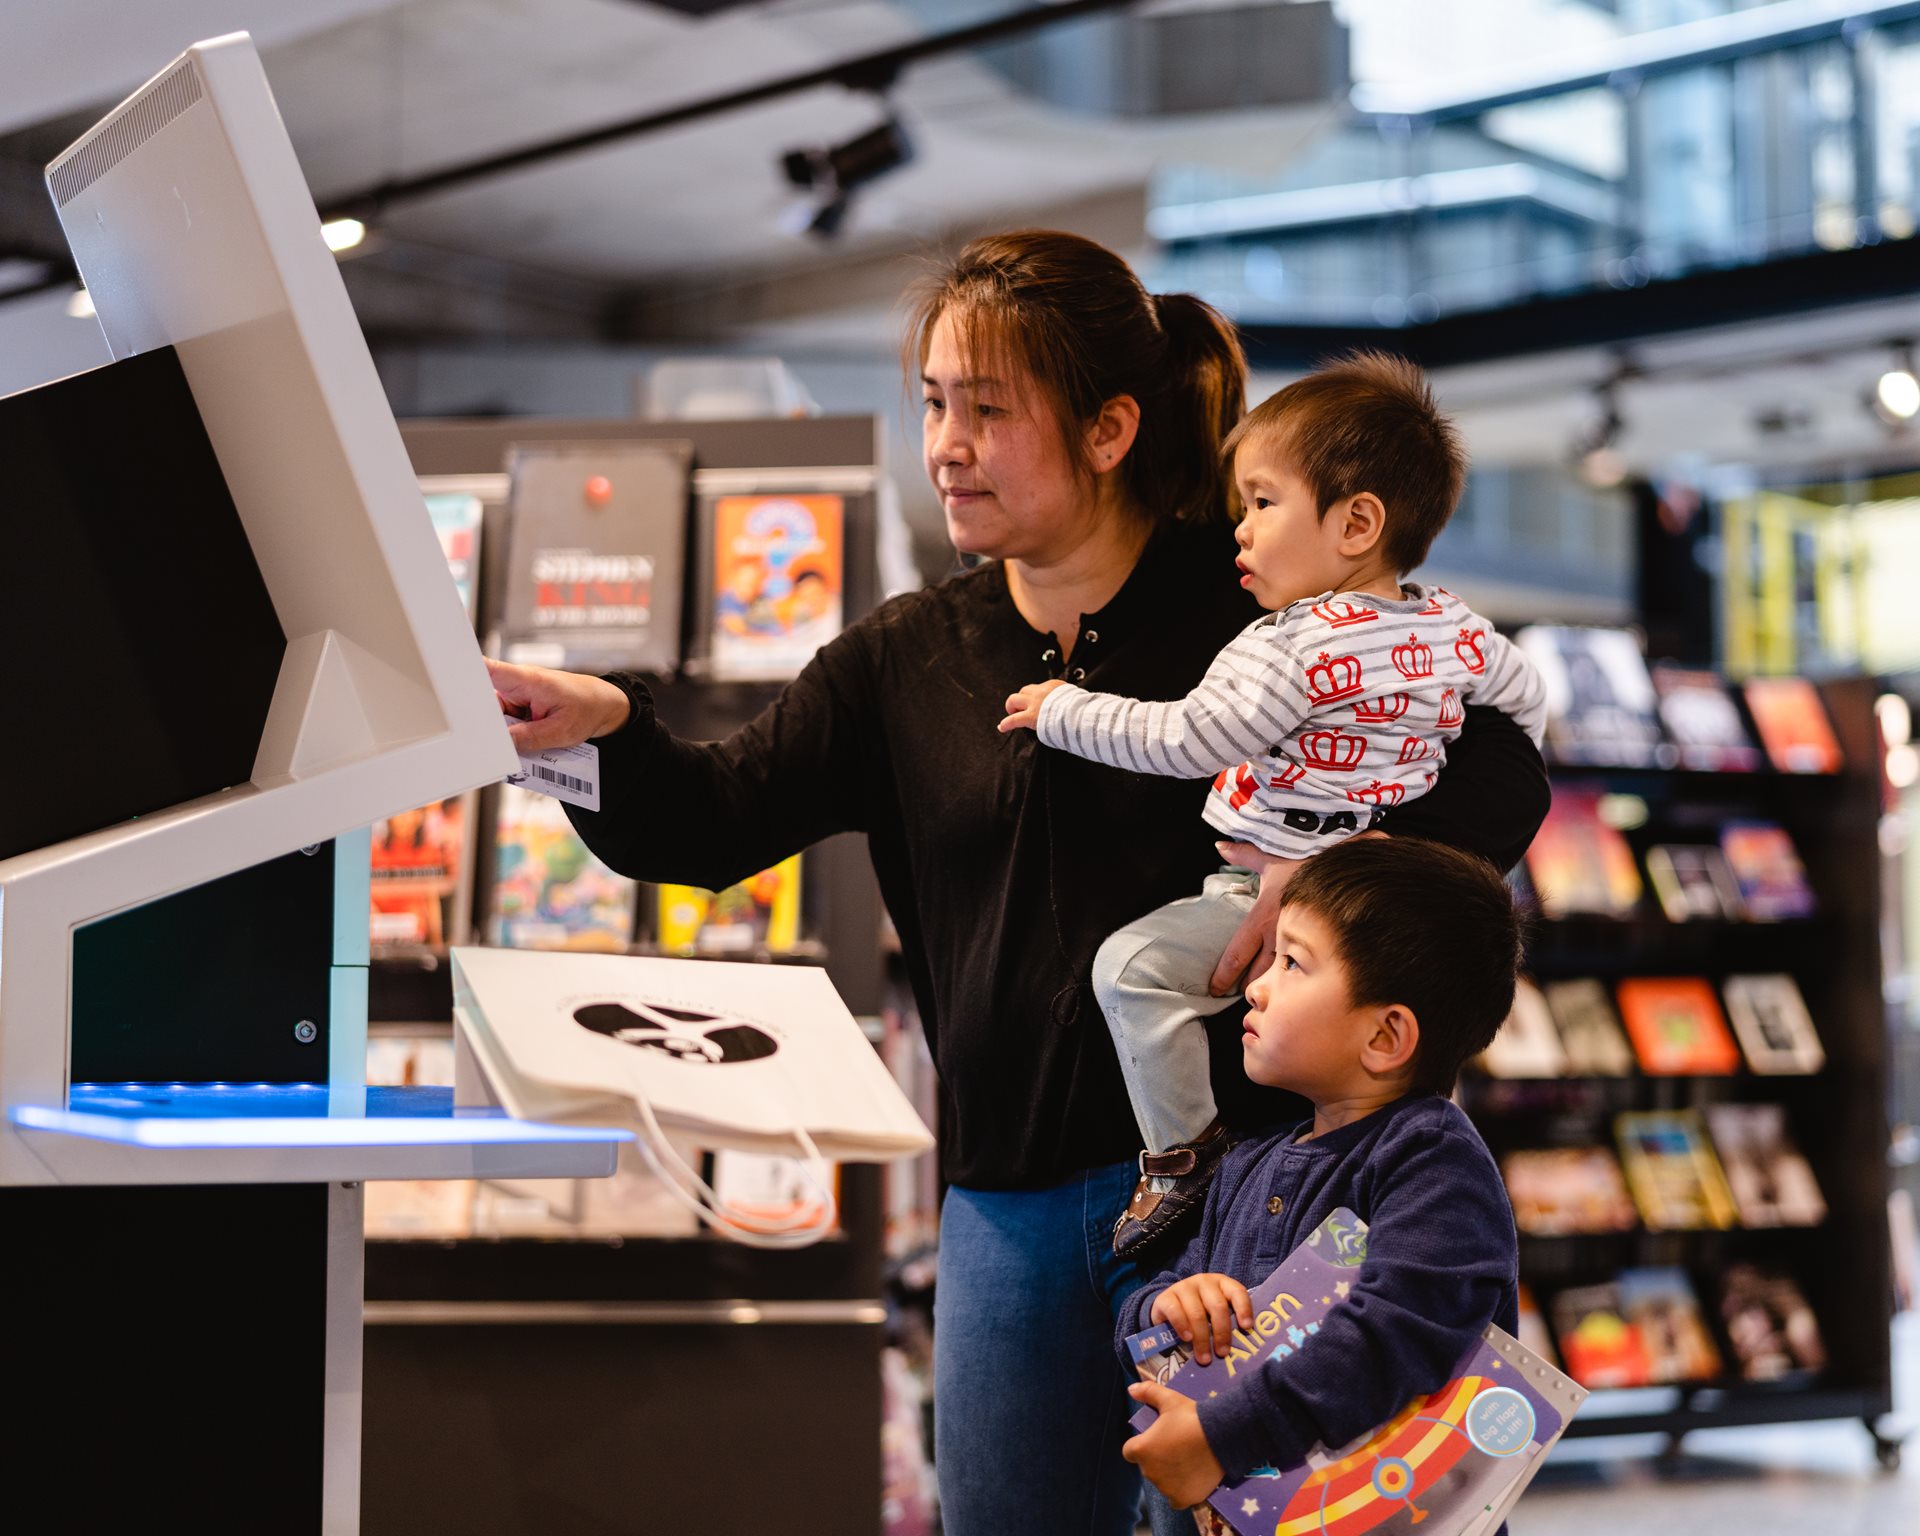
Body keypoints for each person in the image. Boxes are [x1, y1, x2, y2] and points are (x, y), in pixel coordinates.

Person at [480, 229, 1549, 1536]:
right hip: (1012, 1211)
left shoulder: (1258, 617)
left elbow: (1501, 772)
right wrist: (597, 729)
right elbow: (709, 822)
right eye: (933, 404)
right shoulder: (904, 661)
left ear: (1108, 430)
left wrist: (1340, 864)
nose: (947, 445)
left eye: (989, 410)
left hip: (1261, 1185)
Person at [999, 354, 1546, 1257]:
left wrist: (1063, 710)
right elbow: (1528, 709)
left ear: (1356, 522)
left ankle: (1184, 1159)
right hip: (1396, 920)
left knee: (1130, 971)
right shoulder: (1454, 627)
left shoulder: (1286, 645)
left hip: (1266, 902)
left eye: (1260, 503)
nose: (1239, 533)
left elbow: (1184, 740)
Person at [1115, 836, 1522, 1523]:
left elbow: (1392, 1336)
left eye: (1292, 962)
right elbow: (1147, 1326)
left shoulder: (1430, 1158)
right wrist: (1166, 1307)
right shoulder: (1247, 1164)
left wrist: (1224, 1437)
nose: (1256, 984)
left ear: (1386, 1037)